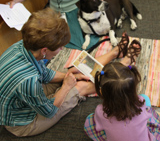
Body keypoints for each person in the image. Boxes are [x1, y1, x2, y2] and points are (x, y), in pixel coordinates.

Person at [0, 7, 136, 137]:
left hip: (23, 97)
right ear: (44, 50)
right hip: (22, 123)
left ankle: (115, 52)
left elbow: (44, 73)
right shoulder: (28, 81)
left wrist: (71, 75)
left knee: (75, 70)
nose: (62, 49)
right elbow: (49, 111)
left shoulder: (23, 46)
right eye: (60, 47)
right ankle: (119, 73)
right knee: (79, 87)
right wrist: (66, 86)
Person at [84, 41, 159, 141]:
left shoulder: (101, 111)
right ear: (133, 90)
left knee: (89, 121)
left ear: (101, 92)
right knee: (146, 100)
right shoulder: (141, 102)